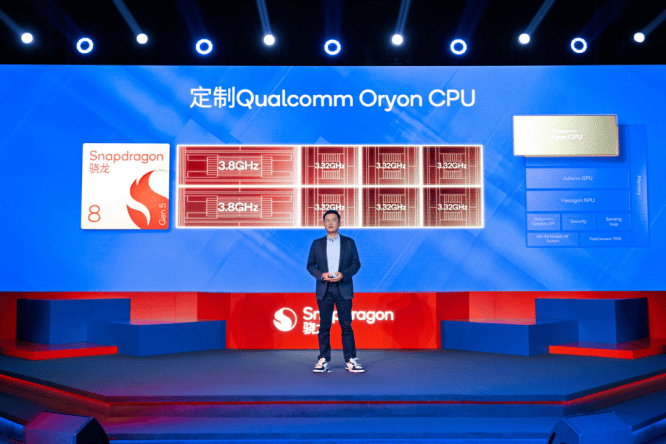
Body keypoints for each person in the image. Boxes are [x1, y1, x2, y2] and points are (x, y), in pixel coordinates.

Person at [306, 209, 364, 373]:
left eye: (333, 220)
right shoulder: (317, 243)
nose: (330, 223)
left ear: (339, 223)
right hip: (324, 289)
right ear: (323, 223)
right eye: (327, 220)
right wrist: (321, 275)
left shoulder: (349, 242)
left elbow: (356, 264)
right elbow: (310, 265)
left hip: (343, 288)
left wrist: (343, 274)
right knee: (324, 326)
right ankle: (323, 359)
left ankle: (350, 360)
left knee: (346, 326)